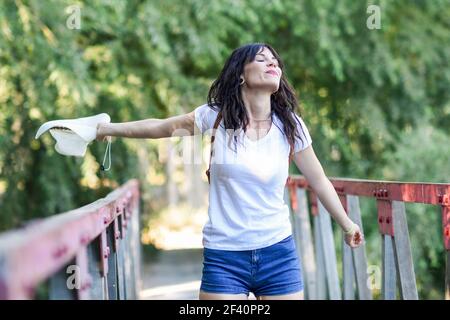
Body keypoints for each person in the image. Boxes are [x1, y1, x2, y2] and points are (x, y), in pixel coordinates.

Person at [96, 43, 364, 300]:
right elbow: (161, 128)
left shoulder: (291, 125)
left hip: (278, 252)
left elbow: (318, 180)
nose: (272, 63)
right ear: (240, 74)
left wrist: (347, 224)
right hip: (225, 255)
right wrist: (106, 129)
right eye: (261, 59)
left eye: (275, 61)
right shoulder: (216, 117)